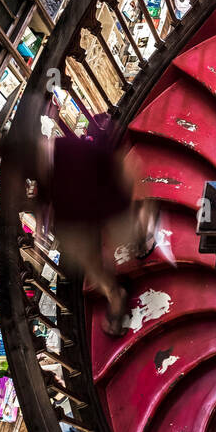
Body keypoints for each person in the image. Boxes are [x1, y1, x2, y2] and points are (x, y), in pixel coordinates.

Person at [32, 113, 167, 337]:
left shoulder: (70, 151)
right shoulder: (42, 174)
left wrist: (138, 203)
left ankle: (142, 229)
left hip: (108, 207)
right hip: (80, 220)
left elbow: (122, 168)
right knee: (92, 262)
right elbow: (45, 199)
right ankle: (116, 295)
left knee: (127, 235)